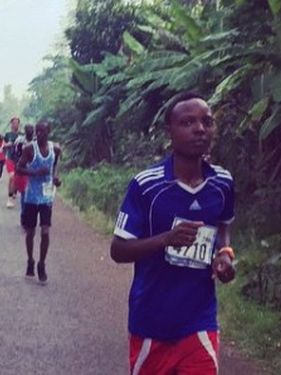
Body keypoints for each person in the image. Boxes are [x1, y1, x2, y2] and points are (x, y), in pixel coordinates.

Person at [110, 92, 236, 375]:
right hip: (151, 323)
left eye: (207, 121)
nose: (200, 129)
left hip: (199, 320)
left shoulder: (223, 183)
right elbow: (118, 250)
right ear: (171, 131)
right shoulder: (146, 186)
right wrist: (166, 239)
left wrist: (225, 254)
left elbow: (223, 226)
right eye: (187, 122)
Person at [15, 121, 61, 284]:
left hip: (47, 195)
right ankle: (30, 260)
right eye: (37, 131)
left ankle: (42, 264)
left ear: (49, 131)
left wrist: (55, 177)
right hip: (31, 196)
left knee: (45, 231)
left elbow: (55, 164)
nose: (39, 134)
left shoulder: (55, 148)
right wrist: (34, 172)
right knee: (30, 232)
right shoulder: (29, 149)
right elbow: (18, 169)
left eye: (42, 131)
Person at [3, 117, 22, 208]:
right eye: (14, 123)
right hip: (10, 158)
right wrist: (8, 144)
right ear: (11, 124)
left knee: (17, 179)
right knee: (11, 176)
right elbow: (3, 145)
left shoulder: (22, 135)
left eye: (17, 123)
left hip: (20, 160)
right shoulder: (8, 135)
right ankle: (9, 199)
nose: (15, 125)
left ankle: (15, 191)